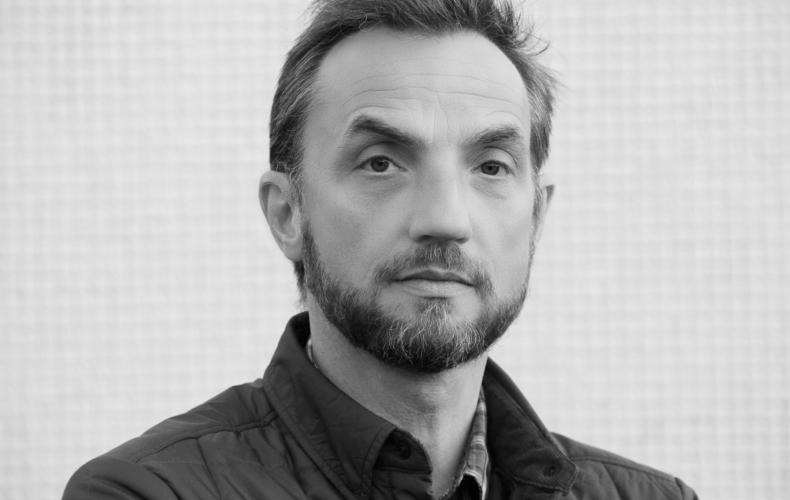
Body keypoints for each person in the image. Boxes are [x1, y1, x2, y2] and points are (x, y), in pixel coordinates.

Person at [64, 0, 698, 498]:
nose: (445, 219)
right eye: (380, 162)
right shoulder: (147, 492)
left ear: (536, 217)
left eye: (491, 166)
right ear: (288, 213)